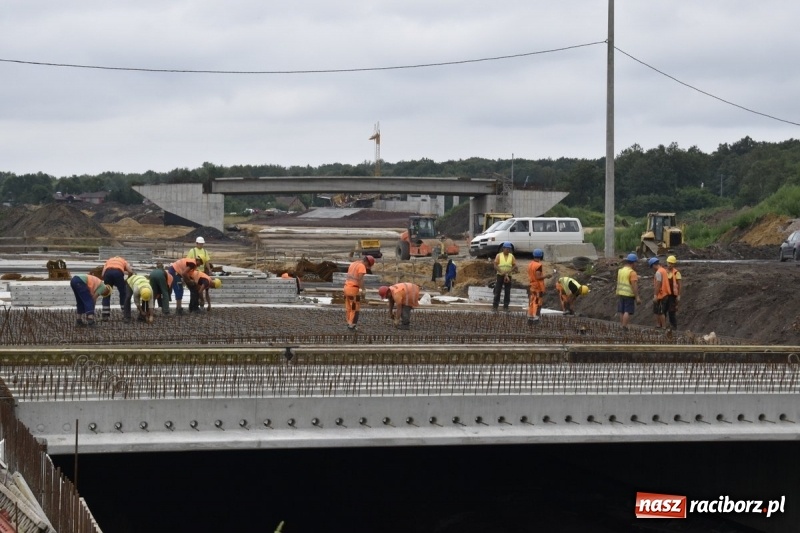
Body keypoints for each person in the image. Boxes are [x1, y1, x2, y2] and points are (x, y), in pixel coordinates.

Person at [343, 255, 375, 330]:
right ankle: (352, 325)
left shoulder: (353, 264)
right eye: (369, 265)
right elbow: (360, 279)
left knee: (348, 307)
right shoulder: (361, 266)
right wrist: (363, 289)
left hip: (346, 288)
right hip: (353, 290)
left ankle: (349, 323)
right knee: (355, 308)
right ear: (367, 262)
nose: (368, 267)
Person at [100, 256, 134, 321]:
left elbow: (102, 274)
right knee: (123, 293)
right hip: (118, 274)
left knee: (106, 293)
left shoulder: (109, 260)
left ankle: (105, 315)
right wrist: (128, 277)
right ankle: (125, 314)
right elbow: (130, 271)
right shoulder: (124, 261)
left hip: (107, 273)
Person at [616, 253, 642, 327]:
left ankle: (622, 325)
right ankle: (624, 327)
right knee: (627, 311)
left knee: (622, 311)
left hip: (620, 293)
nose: (636, 264)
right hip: (628, 294)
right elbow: (634, 285)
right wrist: (637, 297)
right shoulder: (632, 272)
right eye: (636, 262)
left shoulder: (620, 270)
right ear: (633, 263)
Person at [526, 248, 551, 324]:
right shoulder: (538, 265)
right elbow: (538, 277)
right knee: (537, 302)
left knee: (532, 302)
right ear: (540, 256)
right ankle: (536, 318)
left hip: (532, 285)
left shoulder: (530, 264)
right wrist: (546, 276)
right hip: (537, 287)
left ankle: (530, 317)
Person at [492, 242, 516, 312]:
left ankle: (506, 306)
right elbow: (495, 265)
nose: (508, 250)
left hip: (508, 276)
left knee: (507, 291)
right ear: (503, 249)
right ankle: (495, 306)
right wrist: (501, 271)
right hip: (500, 275)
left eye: (509, 249)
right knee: (498, 290)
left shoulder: (511, 256)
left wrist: (509, 272)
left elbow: (514, 265)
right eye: (507, 249)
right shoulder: (499, 255)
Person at [649, 257, 672, 329]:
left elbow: (658, 284)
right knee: (658, 311)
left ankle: (663, 326)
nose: (652, 268)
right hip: (665, 293)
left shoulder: (658, 272)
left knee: (660, 311)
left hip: (661, 295)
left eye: (652, 267)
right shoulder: (663, 270)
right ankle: (659, 325)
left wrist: (655, 295)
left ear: (653, 265)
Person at [665, 255, 682, 330]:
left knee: (672, 311)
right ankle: (664, 326)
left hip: (672, 295)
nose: (670, 265)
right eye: (669, 263)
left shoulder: (676, 273)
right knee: (663, 311)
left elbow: (679, 285)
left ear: (674, 264)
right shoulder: (664, 272)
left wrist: (678, 295)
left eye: (671, 263)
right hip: (665, 295)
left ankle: (674, 327)